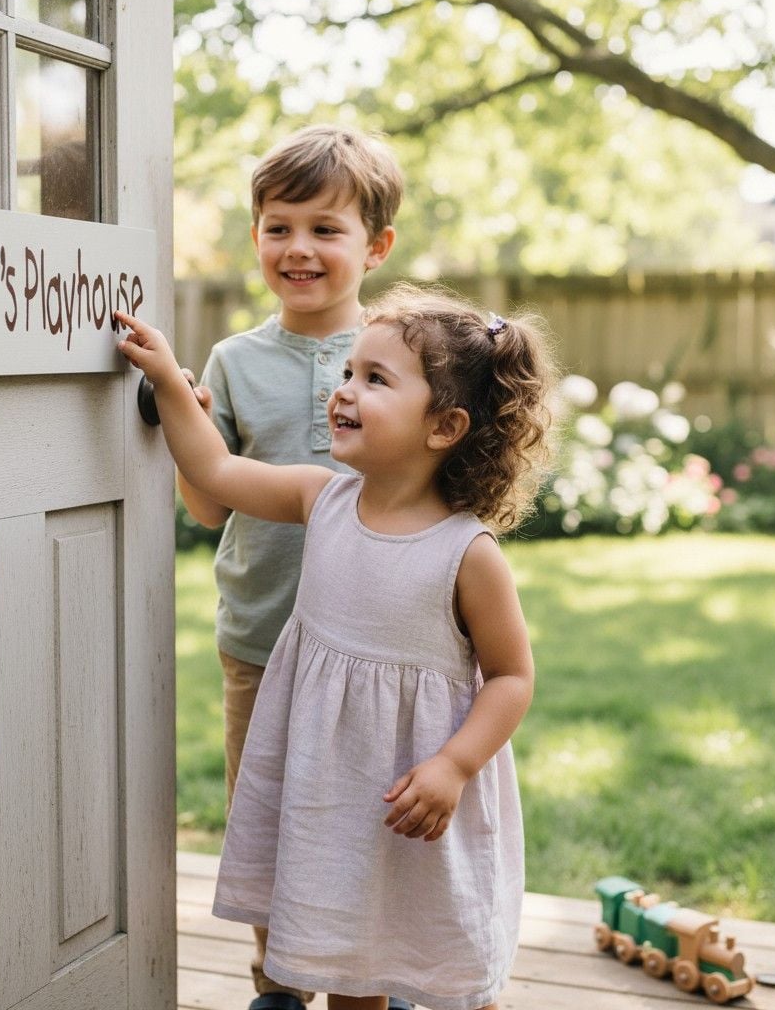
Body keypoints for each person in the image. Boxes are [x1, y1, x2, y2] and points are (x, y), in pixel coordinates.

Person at [115, 280, 556, 1010]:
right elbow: (216, 470)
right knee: (351, 961)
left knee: (443, 958)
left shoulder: (467, 553)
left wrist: (453, 766)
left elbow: (512, 677)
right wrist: (167, 380)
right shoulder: (320, 499)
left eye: (375, 379)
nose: (344, 390)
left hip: (416, 792)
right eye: (349, 371)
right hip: (333, 787)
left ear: (444, 426)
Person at [176, 124, 403, 1010]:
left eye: (325, 228)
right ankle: (277, 981)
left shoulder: (404, 356)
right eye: (279, 227)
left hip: (378, 647)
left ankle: (373, 975)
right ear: (256, 237)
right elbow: (210, 506)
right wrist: (186, 427)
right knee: (266, 817)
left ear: (376, 246)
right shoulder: (234, 362)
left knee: (364, 824)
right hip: (263, 639)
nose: (298, 248)